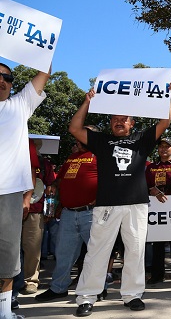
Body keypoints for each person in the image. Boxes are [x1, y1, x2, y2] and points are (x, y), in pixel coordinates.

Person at [68, 84, 171, 317]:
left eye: (124, 118)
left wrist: (166, 96)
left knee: (135, 251)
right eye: (114, 118)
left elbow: (165, 121)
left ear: (132, 123)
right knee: (97, 251)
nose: (119, 121)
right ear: (110, 123)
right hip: (107, 204)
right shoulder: (101, 140)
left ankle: (132, 295)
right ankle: (86, 297)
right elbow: (74, 127)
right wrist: (87, 101)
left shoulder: (142, 139)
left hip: (136, 204)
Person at [0, 63, 50, 319]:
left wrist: (45, 46)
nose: (2, 80)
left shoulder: (20, 105)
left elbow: (45, 71)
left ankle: (5, 311)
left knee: (8, 258)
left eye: (7, 77)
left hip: (9, 195)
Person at [35, 126, 100, 302]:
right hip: (68, 214)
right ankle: (58, 288)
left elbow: (112, 182)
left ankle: (98, 289)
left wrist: (101, 198)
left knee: (96, 254)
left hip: (91, 213)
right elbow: (60, 179)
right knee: (63, 253)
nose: (78, 139)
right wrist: (54, 186)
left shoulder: (101, 156)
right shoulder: (72, 157)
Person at [145, 138, 171, 286]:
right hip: (157, 210)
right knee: (157, 245)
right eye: (161, 146)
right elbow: (144, 186)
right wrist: (152, 190)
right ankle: (157, 275)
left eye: (167, 147)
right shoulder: (151, 167)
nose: (164, 149)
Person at [20, 140, 55, 295]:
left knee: (32, 248)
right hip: (10, 208)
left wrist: (49, 211)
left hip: (35, 211)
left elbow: (50, 188)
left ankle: (31, 281)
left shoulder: (44, 164)